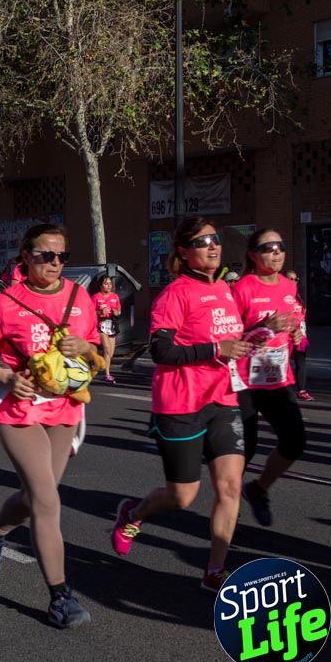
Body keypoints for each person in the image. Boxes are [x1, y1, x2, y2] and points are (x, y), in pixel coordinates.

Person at [0, 223, 99, 629]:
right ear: (26, 256)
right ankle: (60, 598)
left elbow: (98, 358)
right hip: (19, 410)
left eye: (61, 256)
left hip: (65, 409)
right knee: (46, 500)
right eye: (45, 255)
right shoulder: (7, 302)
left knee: (38, 495)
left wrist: (88, 349)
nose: (55, 263)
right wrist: (6, 378)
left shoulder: (81, 297)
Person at [111, 217, 254, 593]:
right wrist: (214, 349)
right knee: (182, 495)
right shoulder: (175, 294)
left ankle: (214, 570)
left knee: (230, 488)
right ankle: (133, 513)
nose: (213, 246)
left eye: (215, 239)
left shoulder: (224, 288)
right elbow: (161, 351)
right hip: (180, 404)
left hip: (223, 400)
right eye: (202, 241)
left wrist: (263, 329)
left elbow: (229, 338)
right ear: (183, 251)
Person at [233, 229, 307, 528]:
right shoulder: (242, 289)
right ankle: (229, 508)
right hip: (244, 381)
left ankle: (259, 488)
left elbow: (296, 328)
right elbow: (229, 337)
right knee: (244, 451)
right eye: (268, 248)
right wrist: (263, 326)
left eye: (280, 247)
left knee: (295, 442)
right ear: (253, 254)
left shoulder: (290, 286)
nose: (276, 253)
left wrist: (297, 334)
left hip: (278, 378)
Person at [284, 270, 312, 401]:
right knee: (285, 363)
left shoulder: (298, 297)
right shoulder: (280, 295)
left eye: (296, 279)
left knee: (301, 362)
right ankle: (285, 389)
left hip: (300, 335)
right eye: (290, 279)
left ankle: (302, 390)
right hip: (285, 336)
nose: (293, 282)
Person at [93, 275, 122, 384]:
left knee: (111, 353)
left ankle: (96, 363)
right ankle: (107, 374)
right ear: (101, 286)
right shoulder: (96, 297)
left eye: (110, 283)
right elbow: (90, 312)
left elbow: (119, 311)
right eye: (106, 283)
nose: (108, 286)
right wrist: (100, 312)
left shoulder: (115, 296)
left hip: (112, 325)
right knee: (107, 349)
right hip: (101, 324)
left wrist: (116, 313)